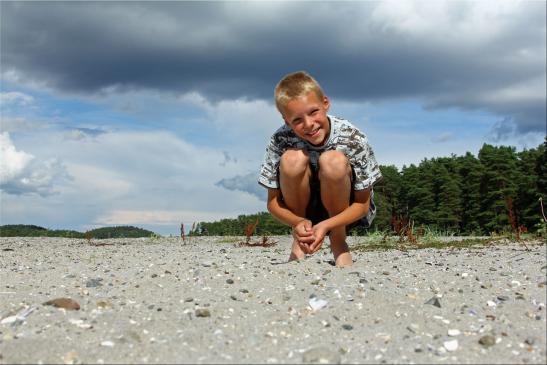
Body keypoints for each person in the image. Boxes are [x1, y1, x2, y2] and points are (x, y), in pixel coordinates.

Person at [258, 71, 382, 267]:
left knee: (332, 160)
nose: (309, 124)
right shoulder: (279, 140)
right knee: (291, 159)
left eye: (313, 112)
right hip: (302, 212)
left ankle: (339, 242)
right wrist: (298, 222)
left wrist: (328, 226)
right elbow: (273, 202)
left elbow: (362, 205)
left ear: (325, 103)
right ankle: (301, 239)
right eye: (297, 120)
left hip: (345, 213)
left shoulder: (353, 138)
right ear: (286, 121)